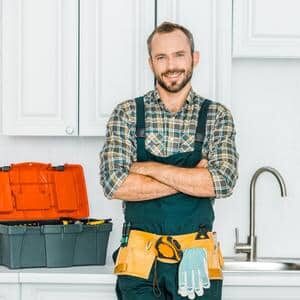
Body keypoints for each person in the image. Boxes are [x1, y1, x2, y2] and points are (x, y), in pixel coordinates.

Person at [100, 22, 238, 300]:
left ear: (194, 58)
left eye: (179, 55)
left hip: (196, 257)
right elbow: (115, 184)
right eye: (161, 57)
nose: (170, 65)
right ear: (150, 63)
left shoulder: (216, 116)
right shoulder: (126, 113)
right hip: (139, 261)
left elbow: (222, 182)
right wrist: (193, 178)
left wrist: (148, 169)